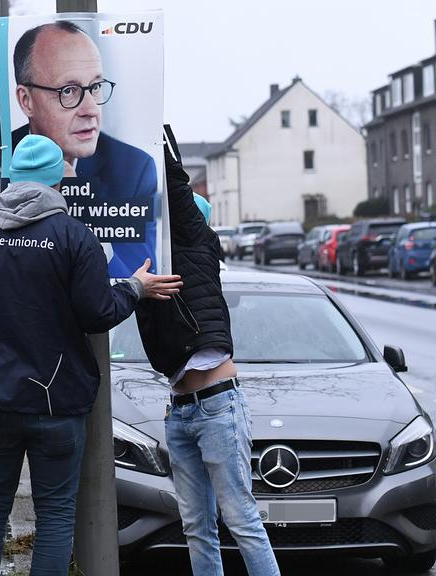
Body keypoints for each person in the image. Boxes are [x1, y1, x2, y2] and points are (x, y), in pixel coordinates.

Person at [0, 134, 182, 576]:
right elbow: (98, 314)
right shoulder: (74, 236)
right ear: (59, 178)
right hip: (57, 404)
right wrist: (136, 287)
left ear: (13, 177)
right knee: (56, 513)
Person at [136, 129, 280, 576]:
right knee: (197, 525)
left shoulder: (198, 243)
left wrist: (153, 136)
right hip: (180, 410)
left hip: (218, 406)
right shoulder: (155, 267)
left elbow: (176, 191)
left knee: (242, 520)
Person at [11, 21, 157, 278]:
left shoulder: (133, 169)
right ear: (26, 100)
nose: (91, 109)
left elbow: (139, 280)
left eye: (96, 87)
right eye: (69, 91)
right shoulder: (10, 158)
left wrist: (79, 207)